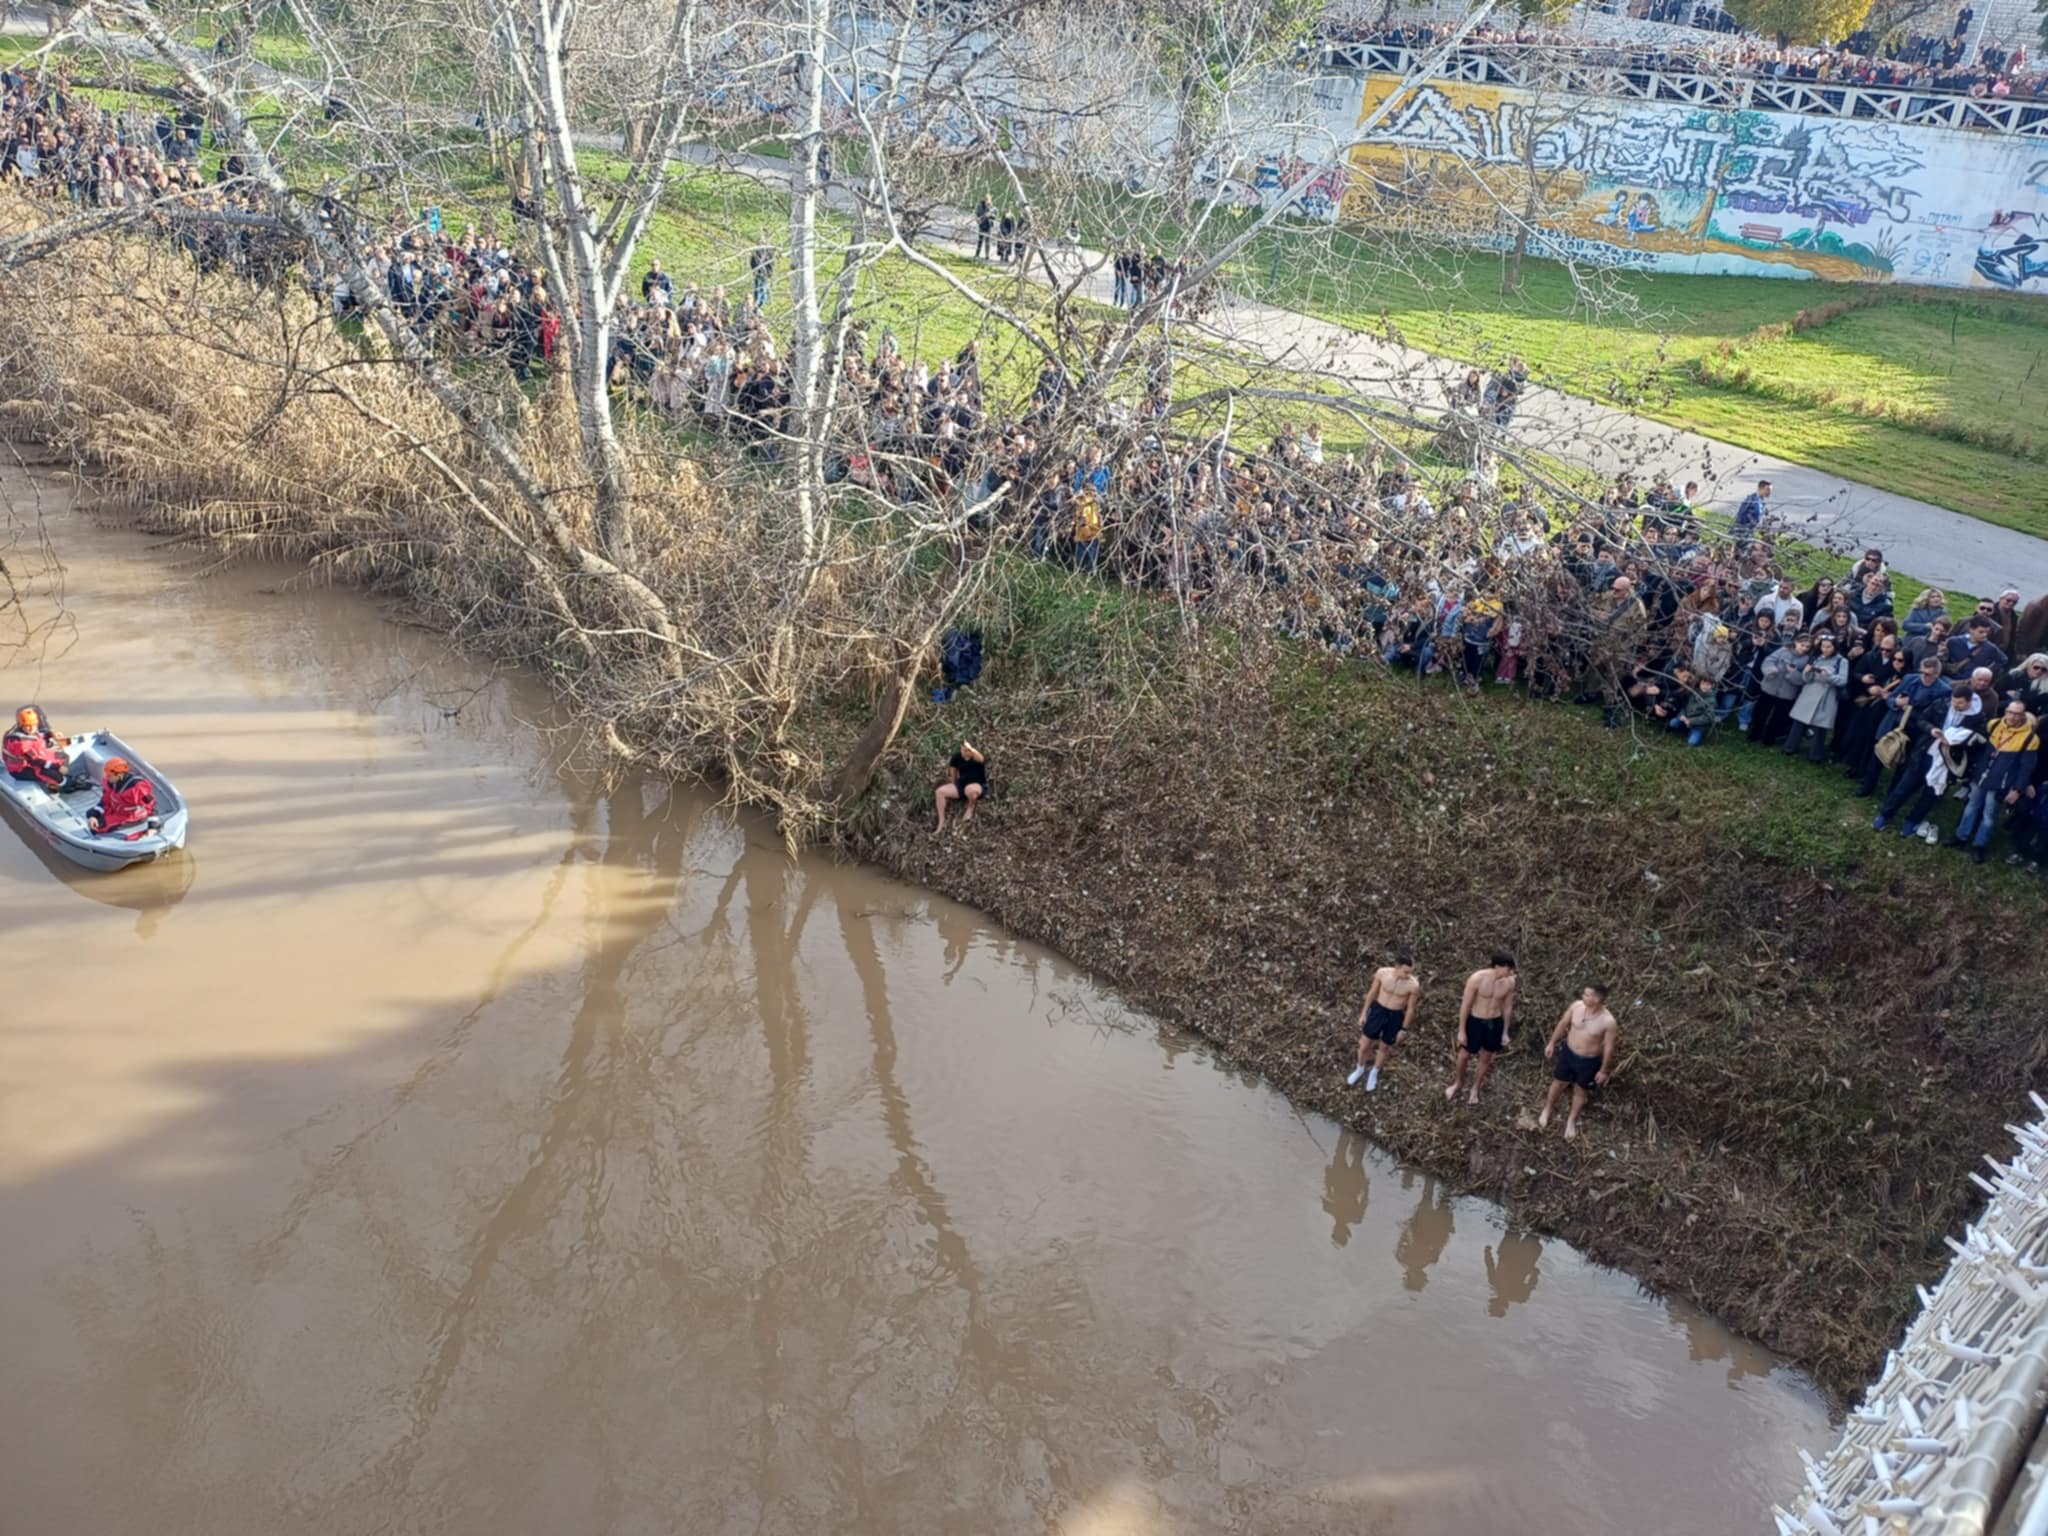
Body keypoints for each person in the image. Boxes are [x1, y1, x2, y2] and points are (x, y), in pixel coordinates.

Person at [1949, 700, 2039, 863]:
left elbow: (2026, 767)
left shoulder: (2030, 738)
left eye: (2017, 714)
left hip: (2001, 783)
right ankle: (1960, 838)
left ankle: (1979, 845)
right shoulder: (1994, 724)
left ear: (2023, 715)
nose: (2012, 716)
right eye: (2010, 712)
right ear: (2005, 711)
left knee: (1989, 815)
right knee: (1971, 807)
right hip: (1981, 776)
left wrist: (2017, 789)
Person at [1538, 984, 1618, 1140]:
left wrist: (1603, 1070)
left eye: (1587, 995)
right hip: (1568, 1053)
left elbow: (1609, 1047)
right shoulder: (1576, 1006)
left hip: (1589, 1060)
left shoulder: (1608, 1021)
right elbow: (1563, 1024)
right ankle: (1547, 1109)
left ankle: (1571, 1120)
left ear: (1597, 999)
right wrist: (1552, 1043)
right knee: (1558, 1082)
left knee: (1580, 1090)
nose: (1583, 996)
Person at [1445, 951, 1517, 1107]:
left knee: (1486, 1057)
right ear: (1498, 966)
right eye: (1509, 969)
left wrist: (1505, 1031)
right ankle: (1458, 1083)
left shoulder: (1510, 983)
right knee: (1464, 1055)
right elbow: (1465, 1005)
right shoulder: (1477, 979)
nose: (1512, 972)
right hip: (1476, 1021)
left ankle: (1475, 1088)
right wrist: (1461, 1030)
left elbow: (1507, 1008)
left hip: (1494, 1022)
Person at [1348, 945, 1420, 1092]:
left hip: (1395, 1015)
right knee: (1364, 1044)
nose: (1407, 975)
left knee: (1384, 1046)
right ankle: (1360, 1068)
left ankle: (1374, 1072)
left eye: (1410, 972)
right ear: (1397, 966)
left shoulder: (1413, 985)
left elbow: (1411, 1009)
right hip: (1378, 1010)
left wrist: (1403, 1029)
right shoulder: (1382, 973)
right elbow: (1372, 993)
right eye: (1405, 971)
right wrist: (1363, 1013)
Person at [2, 705, 85, 792]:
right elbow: (36, 761)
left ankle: (54, 781)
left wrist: (52, 734)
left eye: (33, 725)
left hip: (38, 755)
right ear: (22, 725)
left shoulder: (27, 730)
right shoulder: (19, 743)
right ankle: (65, 783)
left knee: (64, 757)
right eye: (28, 726)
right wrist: (56, 767)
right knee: (50, 773)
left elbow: (41, 734)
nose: (31, 728)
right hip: (22, 768)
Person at [85, 755, 156, 835]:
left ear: (119, 775)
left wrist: (152, 827)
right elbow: (105, 800)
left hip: (130, 816)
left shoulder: (138, 788)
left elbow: (151, 807)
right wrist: (94, 815)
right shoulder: (111, 782)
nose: (106, 778)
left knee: (98, 827)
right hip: (115, 809)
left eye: (109, 776)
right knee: (90, 814)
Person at [934, 739, 987, 831]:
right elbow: (953, 773)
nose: (964, 752)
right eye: (962, 749)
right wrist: (953, 784)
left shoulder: (976, 757)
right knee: (940, 792)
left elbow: (981, 758)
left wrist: (971, 749)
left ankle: (971, 806)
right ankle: (941, 821)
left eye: (966, 750)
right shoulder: (956, 757)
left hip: (977, 785)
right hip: (961, 785)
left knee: (969, 789)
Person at [1733, 479, 1771, 544]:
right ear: (1760, 488)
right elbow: (1742, 514)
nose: (1769, 492)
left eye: (1770, 490)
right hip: (1743, 532)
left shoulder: (1760, 501)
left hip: (1749, 532)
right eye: (1768, 489)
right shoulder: (1753, 500)